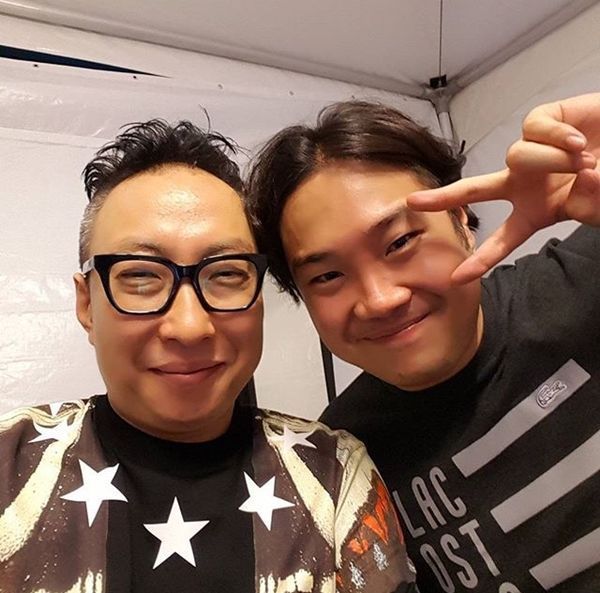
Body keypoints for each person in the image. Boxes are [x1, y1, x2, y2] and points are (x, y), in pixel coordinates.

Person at [0, 120, 417, 593]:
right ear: (86, 306)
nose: (190, 327)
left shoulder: (332, 472)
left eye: (226, 274)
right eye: (140, 277)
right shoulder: (12, 466)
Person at [247, 93, 600, 592]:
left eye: (400, 243)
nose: (380, 299)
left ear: (462, 221)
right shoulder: (341, 463)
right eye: (327, 276)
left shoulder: (584, 282)